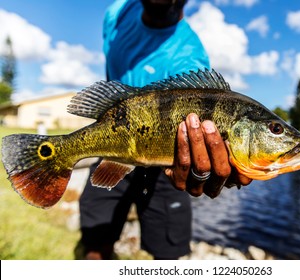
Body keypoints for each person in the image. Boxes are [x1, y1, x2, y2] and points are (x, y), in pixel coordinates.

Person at [78, 0, 251, 260]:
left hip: (166, 166)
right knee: (94, 244)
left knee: (168, 255)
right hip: (114, 148)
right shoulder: (117, 13)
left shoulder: (190, 58)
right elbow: (109, 89)